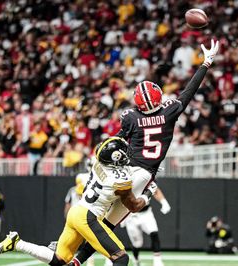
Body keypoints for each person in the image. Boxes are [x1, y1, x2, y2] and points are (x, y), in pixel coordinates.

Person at [70, 39, 219, 266]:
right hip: (143, 175)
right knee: (107, 224)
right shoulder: (169, 112)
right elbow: (189, 90)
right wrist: (206, 62)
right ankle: (78, 258)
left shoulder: (131, 117)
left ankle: (74, 255)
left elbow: (116, 142)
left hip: (123, 169)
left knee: (95, 214)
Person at [0, 137, 158, 266]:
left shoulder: (97, 163)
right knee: (121, 258)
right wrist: (149, 192)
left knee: (61, 260)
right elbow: (134, 206)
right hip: (88, 217)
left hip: (76, 211)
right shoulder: (120, 179)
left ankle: (17, 243)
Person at [120, 188, 171, 266]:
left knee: (154, 233)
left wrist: (164, 202)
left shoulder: (147, 176)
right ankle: (136, 258)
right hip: (130, 215)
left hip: (146, 213)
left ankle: (157, 261)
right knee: (137, 244)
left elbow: (155, 189)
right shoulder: (128, 178)